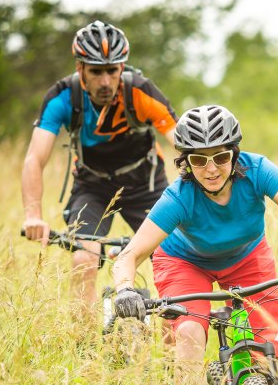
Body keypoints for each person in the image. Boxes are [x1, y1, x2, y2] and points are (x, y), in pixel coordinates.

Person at [112, 104, 278, 385]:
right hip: (185, 263)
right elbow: (130, 255)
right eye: (199, 160)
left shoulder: (258, 172)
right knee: (188, 334)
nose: (211, 169)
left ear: (234, 154)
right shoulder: (179, 196)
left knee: (266, 351)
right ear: (186, 162)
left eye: (221, 157)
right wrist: (125, 290)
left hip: (247, 258)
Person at [21, 20, 177, 304]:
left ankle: (171, 349)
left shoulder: (140, 90)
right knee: (84, 258)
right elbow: (34, 158)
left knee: (171, 262)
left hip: (147, 185)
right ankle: (84, 347)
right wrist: (33, 214)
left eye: (112, 70)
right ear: (80, 68)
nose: (105, 82)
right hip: (92, 187)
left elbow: (183, 143)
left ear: (122, 68)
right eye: (95, 71)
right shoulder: (62, 97)